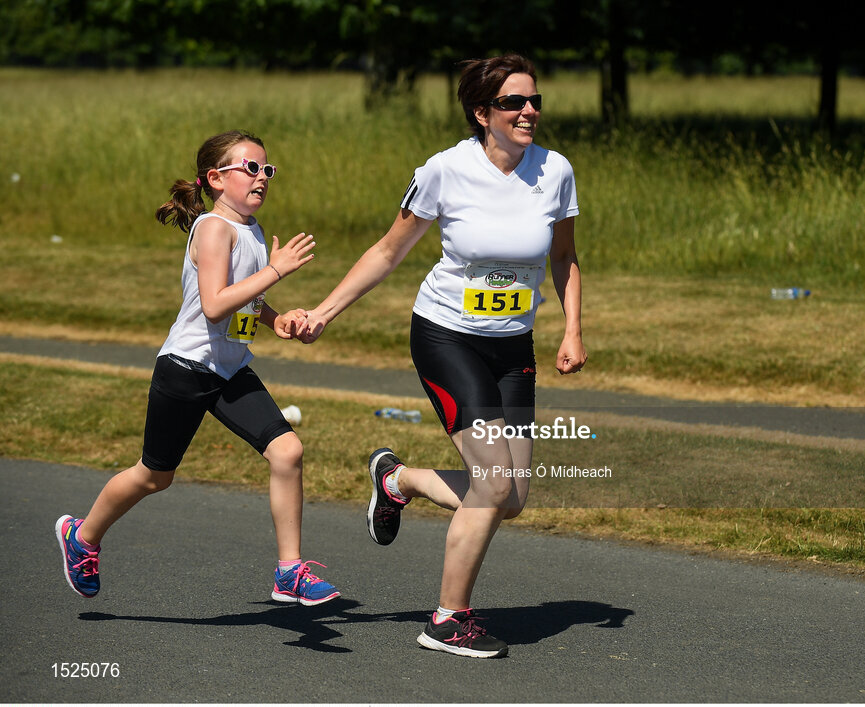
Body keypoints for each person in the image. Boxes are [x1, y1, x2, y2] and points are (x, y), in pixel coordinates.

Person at [289, 54, 586, 657]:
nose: (528, 111)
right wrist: (323, 311)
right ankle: (448, 619)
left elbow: (564, 258)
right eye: (512, 103)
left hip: (513, 343)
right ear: (482, 113)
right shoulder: (444, 171)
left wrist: (572, 329)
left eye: (533, 101)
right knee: (494, 483)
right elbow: (387, 252)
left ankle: (396, 479)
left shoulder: (555, 171)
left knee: (513, 499)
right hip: (447, 335)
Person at [56, 130, 340, 607]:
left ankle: (290, 571)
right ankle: (81, 537)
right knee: (154, 476)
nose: (262, 178)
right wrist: (277, 270)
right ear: (215, 178)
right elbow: (213, 306)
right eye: (250, 168)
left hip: (229, 369)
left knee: (288, 452)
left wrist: (278, 319)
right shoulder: (212, 228)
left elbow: (245, 301)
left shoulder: (248, 229)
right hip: (187, 368)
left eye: (267, 170)